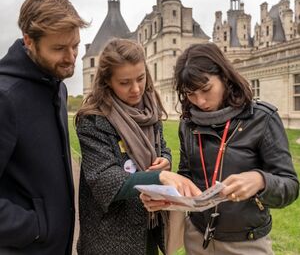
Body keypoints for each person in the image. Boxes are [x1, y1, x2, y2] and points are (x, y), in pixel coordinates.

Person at [141, 43, 299, 254]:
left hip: (247, 242)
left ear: (225, 77)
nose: (200, 101)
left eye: (206, 89)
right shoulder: (188, 124)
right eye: (190, 94)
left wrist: (261, 180)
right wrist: (169, 197)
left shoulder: (262, 118)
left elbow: (290, 186)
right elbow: (187, 175)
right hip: (197, 237)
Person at [75, 38, 200, 255]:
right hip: (110, 238)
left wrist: (166, 160)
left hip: (148, 230)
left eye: (140, 78)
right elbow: (104, 180)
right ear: (107, 82)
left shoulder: (149, 110)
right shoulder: (93, 119)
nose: (136, 89)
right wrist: (158, 178)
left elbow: (161, 147)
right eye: (124, 83)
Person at [0, 0, 88, 254]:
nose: (71, 57)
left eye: (75, 45)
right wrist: (36, 227)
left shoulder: (57, 87)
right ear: (29, 41)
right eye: (59, 48)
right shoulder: (6, 97)